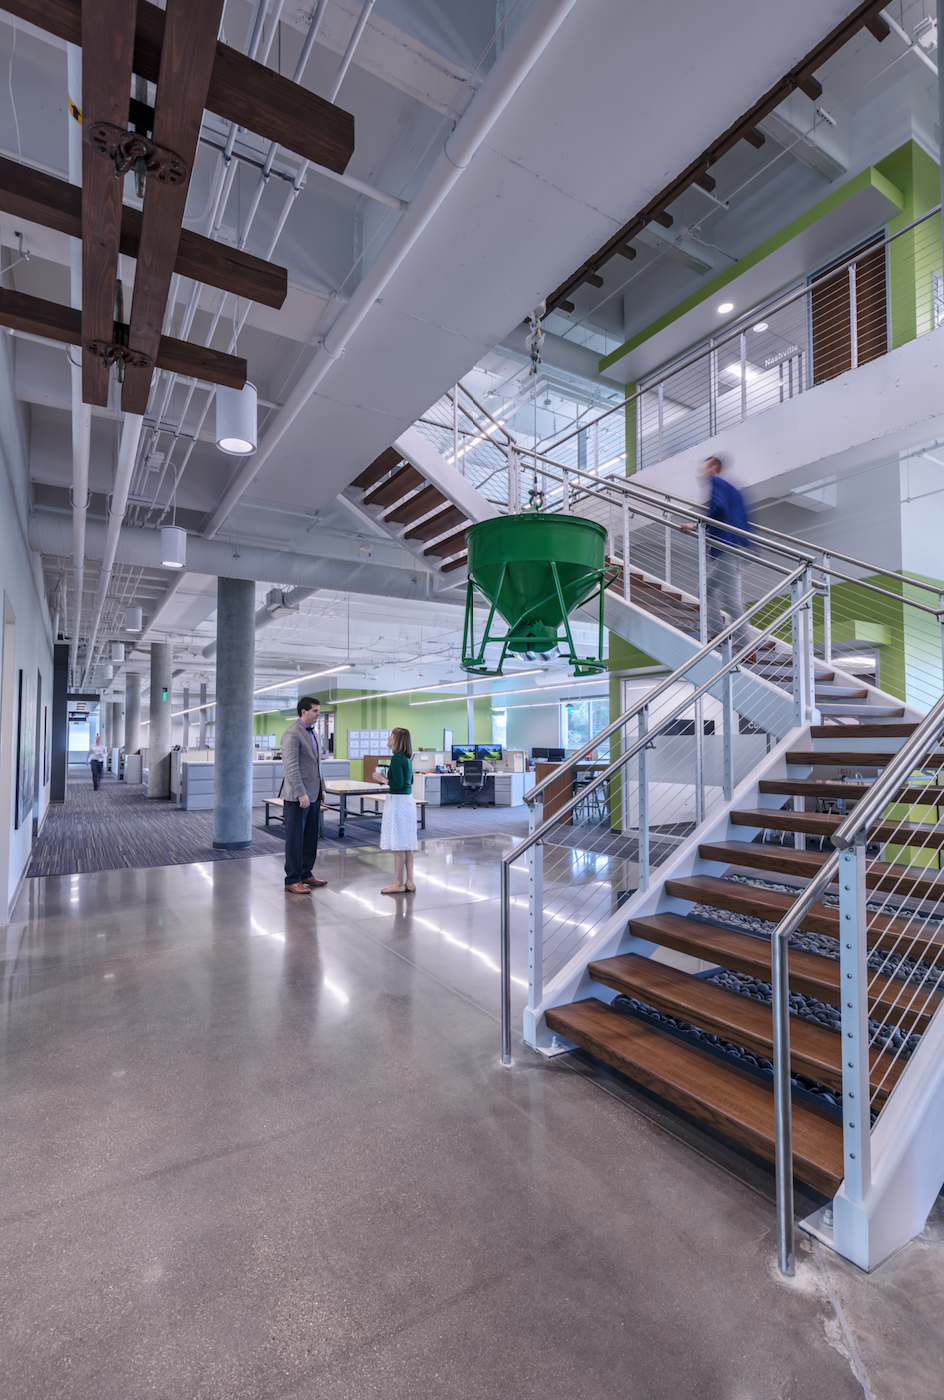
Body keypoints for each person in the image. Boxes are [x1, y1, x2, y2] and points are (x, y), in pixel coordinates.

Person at [680, 455, 752, 650]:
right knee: (706, 589)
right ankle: (718, 633)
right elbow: (744, 519)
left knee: (731, 597)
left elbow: (720, 508)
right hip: (735, 546)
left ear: (714, 467)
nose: (701, 473)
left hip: (727, 546)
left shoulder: (717, 482)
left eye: (704, 468)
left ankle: (746, 645)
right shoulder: (733, 488)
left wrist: (696, 525)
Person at [281, 696, 326, 896]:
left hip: (314, 794)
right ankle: (292, 879)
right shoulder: (292, 733)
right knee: (295, 839)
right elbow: (291, 768)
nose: (318, 714)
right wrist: (301, 793)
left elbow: (317, 764)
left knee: (310, 838)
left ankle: (306, 874)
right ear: (303, 712)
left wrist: (322, 788)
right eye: (315, 711)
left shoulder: (313, 733)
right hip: (297, 797)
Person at [373, 728, 417, 895]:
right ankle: (409, 882)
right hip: (407, 801)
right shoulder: (406, 758)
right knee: (407, 845)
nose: (388, 737)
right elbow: (409, 781)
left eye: (391, 735)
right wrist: (387, 779)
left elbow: (397, 784)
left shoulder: (397, 757)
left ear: (397, 739)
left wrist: (383, 779)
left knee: (399, 845)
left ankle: (398, 883)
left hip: (398, 803)